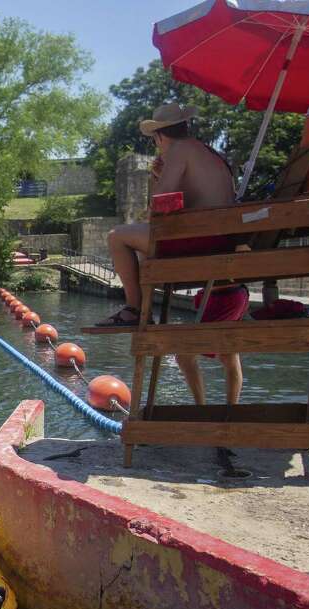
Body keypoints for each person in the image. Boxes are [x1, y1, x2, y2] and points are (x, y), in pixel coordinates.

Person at [96, 103, 244, 404]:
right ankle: (140, 306)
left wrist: (156, 180)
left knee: (118, 237)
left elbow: (159, 208)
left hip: (201, 240)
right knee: (141, 250)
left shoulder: (178, 151)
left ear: (160, 136)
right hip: (218, 238)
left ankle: (134, 310)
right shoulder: (209, 153)